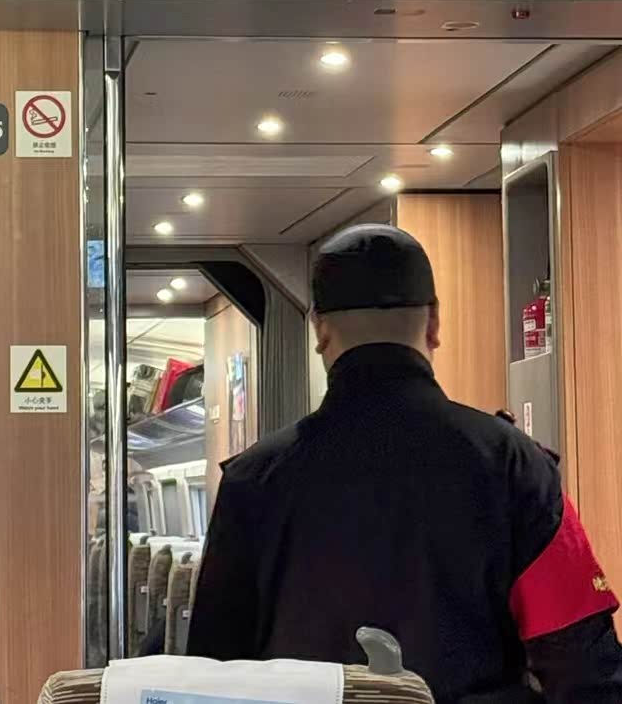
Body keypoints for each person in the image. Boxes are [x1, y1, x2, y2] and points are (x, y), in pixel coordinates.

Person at [187, 224, 622, 703]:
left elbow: (211, 676)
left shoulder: (252, 479)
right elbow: (584, 666)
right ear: (434, 322)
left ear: (320, 329)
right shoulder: (514, 465)